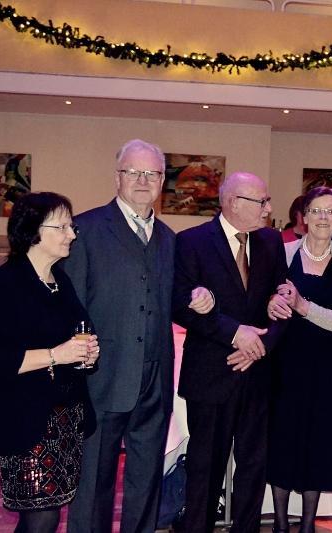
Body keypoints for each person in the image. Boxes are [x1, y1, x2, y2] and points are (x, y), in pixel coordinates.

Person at [65, 139, 213, 533]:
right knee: (93, 482)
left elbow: (173, 301)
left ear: (162, 181)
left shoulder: (169, 238)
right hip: (102, 378)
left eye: (152, 173)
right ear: (117, 177)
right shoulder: (86, 230)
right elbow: (71, 307)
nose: (143, 180)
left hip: (154, 381)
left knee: (146, 482)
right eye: (134, 172)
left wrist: (198, 297)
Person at [0, 192, 100, 533]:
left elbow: (78, 334)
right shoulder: (6, 283)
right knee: (41, 516)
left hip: (64, 421)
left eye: (71, 227)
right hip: (26, 420)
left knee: (46, 514)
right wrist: (58, 354)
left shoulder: (60, 281)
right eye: (62, 227)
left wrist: (87, 354)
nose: (72, 234)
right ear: (33, 232)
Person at [173, 171, 287, 533]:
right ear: (234, 203)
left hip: (258, 376)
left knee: (254, 467)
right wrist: (235, 334)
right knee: (205, 469)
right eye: (262, 202)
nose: (268, 209)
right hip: (211, 374)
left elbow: (283, 301)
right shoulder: (191, 242)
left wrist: (259, 346)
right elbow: (180, 305)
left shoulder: (272, 241)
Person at [266, 186, 332, 533]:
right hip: (284, 367)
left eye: (330, 211)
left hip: (328, 370)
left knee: (319, 446)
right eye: (316, 210)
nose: (323, 217)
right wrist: (272, 304)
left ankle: (307, 526)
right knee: (282, 442)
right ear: (303, 217)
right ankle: (280, 525)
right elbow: (265, 303)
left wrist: (303, 307)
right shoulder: (283, 252)